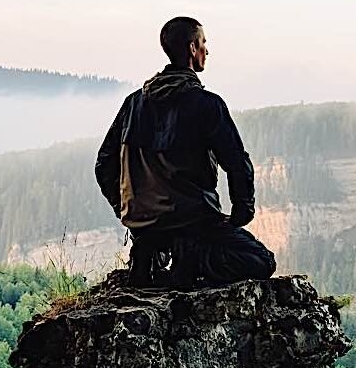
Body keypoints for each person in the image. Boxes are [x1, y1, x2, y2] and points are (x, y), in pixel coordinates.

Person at [94, 17, 276, 289]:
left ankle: (150, 254)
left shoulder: (134, 103)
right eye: (203, 43)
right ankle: (189, 258)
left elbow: (104, 164)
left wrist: (127, 211)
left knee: (163, 239)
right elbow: (237, 164)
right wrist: (241, 213)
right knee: (261, 261)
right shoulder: (207, 105)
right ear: (193, 48)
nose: (207, 51)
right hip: (193, 221)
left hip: (145, 227)